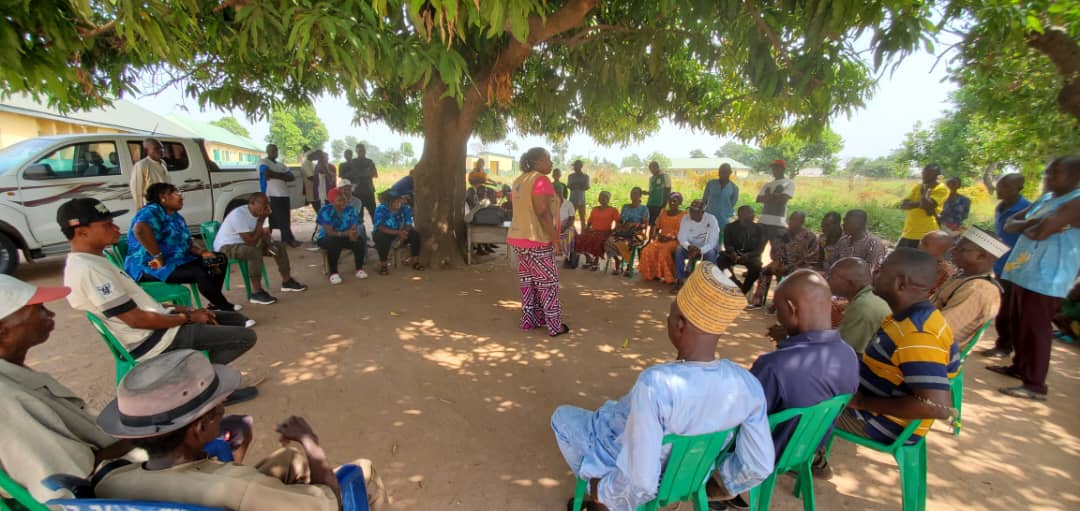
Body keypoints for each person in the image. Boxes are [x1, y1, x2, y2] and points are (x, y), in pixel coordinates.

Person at [551, 264, 773, 511]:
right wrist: (714, 483)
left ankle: (605, 504)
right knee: (617, 409)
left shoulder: (656, 384)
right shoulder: (747, 385)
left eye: (670, 313)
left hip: (625, 461)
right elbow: (759, 464)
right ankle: (663, 494)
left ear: (679, 323)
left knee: (562, 417)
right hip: (687, 472)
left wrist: (600, 490)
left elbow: (641, 480)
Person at [93, 350, 388, 511]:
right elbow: (329, 503)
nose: (224, 413)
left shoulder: (110, 483)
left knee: (288, 457)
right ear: (198, 428)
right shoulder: (237, 487)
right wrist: (311, 444)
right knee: (364, 471)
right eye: (219, 410)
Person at [58, 198, 258, 403]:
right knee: (245, 336)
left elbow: (139, 304)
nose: (116, 228)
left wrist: (186, 310)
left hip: (158, 325)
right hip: (152, 339)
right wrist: (187, 318)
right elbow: (136, 320)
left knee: (234, 318)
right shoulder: (89, 270)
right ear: (81, 232)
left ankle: (199, 377)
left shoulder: (96, 260)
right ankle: (197, 384)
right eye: (107, 225)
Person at [0, 275, 135, 501]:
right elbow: (67, 484)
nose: (51, 314)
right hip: (102, 491)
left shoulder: (13, 373)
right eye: (39, 309)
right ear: (3, 331)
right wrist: (145, 438)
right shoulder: (7, 402)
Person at [830, 248, 957, 448]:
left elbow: (937, 407)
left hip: (880, 423)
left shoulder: (918, 335)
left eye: (881, 270)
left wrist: (863, 403)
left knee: (795, 398)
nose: (874, 273)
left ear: (900, 283)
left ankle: (806, 458)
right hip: (872, 406)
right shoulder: (903, 317)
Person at [989, 156, 1080, 401]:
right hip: (1023, 270)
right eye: (1047, 173)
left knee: (1036, 330)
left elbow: (1040, 234)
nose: (1047, 178)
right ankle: (1019, 367)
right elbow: (1010, 224)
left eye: (1055, 173)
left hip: (1047, 277)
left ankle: (1035, 384)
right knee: (1019, 323)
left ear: (1074, 176)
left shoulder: (1076, 201)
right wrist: (1036, 224)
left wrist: (1030, 226)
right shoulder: (1047, 198)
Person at [752, 270, 858, 473]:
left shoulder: (774, 366)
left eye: (779, 310)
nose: (778, 316)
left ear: (792, 308)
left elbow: (742, 416)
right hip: (807, 447)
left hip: (767, 455)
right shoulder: (848, 355)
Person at [125, 183, 239, 311]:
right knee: (200, 272)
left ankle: (215, 303)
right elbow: (140, 229)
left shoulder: (175, 216)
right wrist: (158, 256)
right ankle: (225, 307)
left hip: (177, 260)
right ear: (163, 197)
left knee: (217, 260)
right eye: (176, 193)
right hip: (149, 266)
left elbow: (185, 242)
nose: (181, 197)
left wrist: (201, 252)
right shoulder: (152, 210)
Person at [507, 147, 569, 337]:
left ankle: (530, 320)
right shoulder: (541, 180)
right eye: (548, 159)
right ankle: (554, 326)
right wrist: (555, 239)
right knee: (548, 283)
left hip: (518, 238)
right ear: (537, 162)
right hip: (537, 240)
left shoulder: (519, 180)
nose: (551, 163)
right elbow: (542, 211)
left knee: (529, 282)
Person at [214, 193, 308, 303]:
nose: (266, 206)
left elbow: (264, 233)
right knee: (253, 251)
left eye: (267, 203)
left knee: (279, 246)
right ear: (252, 203)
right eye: (263, 203)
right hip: (227, 247)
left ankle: (287, 282)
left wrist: (269, 244)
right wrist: (261, 220)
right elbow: (251, 242)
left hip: (246, 243)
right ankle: (257, 292)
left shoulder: (262, 212)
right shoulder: (239, 215)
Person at [979, 174, 1030, 358]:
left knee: (1011, 310)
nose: (1000, 190)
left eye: (1006, 186)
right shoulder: (1001, 207)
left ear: (1019, 188)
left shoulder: (1026, 209)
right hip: (1001, 264)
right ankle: (1003, 343)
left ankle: (1007, 347)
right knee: (1003, 307)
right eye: (1000, 185)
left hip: (1017, 267)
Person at [932, 228, 1007, 351]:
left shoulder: (978, 289)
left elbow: (938, 328)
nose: (952, 251)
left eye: (960, 249)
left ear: (981, 256)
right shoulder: (963, 277)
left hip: (936, 350)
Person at [747, 211, 818, 310]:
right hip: (781, 263)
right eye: (791, 219)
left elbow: (811, 257)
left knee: (789, 274)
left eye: (796, 220)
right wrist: (778, 262)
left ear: (802, 222)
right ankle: (758, 299)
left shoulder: (810, 237)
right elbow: (775, 250)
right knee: (765, 271)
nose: (792, 222)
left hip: (800, 266)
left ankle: (779, 302)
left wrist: (792, 266)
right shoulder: (782, 233)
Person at [827, 257, 890, 354]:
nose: (827, 279)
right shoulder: (869, 296)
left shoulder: (862, 306)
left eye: (831, 276)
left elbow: (844, 351)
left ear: (850, 283)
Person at [316, 187, 369, 284]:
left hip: (345, 236)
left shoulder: (351, 210)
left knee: (359, 240)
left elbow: (354, 226)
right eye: (339, 200)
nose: (343, 202)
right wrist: (346, 233)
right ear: (332, 201)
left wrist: (353, 234)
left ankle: (359, 269)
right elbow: (329, 232)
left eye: (344, 199)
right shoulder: (325, 211)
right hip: (326, 238)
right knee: (333, 242)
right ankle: (333, 273)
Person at [716, 205, 766, 296]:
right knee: (721, 262)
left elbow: (760, 249)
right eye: (748, 214)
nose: (752, 216)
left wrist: (748, 255)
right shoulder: (729, 227)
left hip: (751, 255)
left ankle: (743, 291)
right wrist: (732, 252)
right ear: (740, 215)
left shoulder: (760, 229)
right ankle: (734, 282)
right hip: (733, 254)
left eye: (752, 214)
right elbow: (728, 244)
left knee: (757, 268)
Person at [638, 193, 686, 284]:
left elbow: (684, 232)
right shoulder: (663, 212)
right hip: (661, 239)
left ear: (680, 202)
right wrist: (657, 236)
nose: (672, 203)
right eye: (670, 200)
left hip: (675, 240)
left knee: (664, 251)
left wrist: (671, 238)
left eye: (675, 201)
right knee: (648, 249)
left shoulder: (683, 215)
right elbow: (657, 228)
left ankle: (669, 276)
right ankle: (654, 274)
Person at [372, 190, 424, 275]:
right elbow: (380, 227)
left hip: (401, 232)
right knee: (380, 237)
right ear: (389, 202)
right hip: (385, 233)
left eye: (399, 201)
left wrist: (404, 233)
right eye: (396, 202)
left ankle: (415, 262)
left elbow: (408, 223)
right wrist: (398, 233)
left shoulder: (405, 208)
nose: (399, 203)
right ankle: (383, 265)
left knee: (415, 234)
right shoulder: (380, 209)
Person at [673, 199, 720, 291]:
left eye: (695, 211)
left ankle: (709, 282)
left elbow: (712, 241)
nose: (691, 213)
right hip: (690, 247)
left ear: (702, 211)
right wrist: (689, 247)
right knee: (679, 250)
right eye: (691, 210)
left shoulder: (711, 219)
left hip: (706, 247)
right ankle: (679, 279)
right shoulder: (685, 218)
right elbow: (682, 237)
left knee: (710, 253)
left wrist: (700, 250)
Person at [258, 144, 299, 248]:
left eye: (276, 151)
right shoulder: (263, 162)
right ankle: (281, 240)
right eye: (272, 151)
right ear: (267, 151)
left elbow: (291, 177)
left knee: (285, 217)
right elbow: (266, 172)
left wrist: (275, 175)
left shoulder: (281, 164)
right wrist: (283, 176)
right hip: (271, 194)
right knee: (274, 218)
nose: (275, 152)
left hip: (284, 194)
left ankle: (285, 239)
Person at [898, 164, 948, 248]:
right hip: (909, 231)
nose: (924, 175)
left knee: (919, 260)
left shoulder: (942, 189)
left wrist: (925, 191)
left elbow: (926, 205)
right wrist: (920, 204)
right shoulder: (918, 186)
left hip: (927, 233)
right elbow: (903, 205)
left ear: (937, 176)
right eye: (923, 172)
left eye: (928, 173)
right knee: (899, 259)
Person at [823, 209, 887, 275]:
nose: (843, 225)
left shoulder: (873, 244)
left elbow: (871, 273)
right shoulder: (843, 240)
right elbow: (830, 261)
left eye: (846, 222)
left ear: (857, 224)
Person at [604, 187, 650, 276]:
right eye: (632, 193)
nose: (633, 195)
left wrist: (634, 224)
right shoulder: (625, 207)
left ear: (640, 196)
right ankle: (617, 262)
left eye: (636, 193)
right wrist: (619, 226)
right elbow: (620, 220)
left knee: (627, 243)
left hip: (636, 233)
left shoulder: (644, 209)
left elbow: (645, 225)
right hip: (623, 232)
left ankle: (629, 265)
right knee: (608, 241)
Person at [575, 191, 619, 271]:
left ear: (608, 199)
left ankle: (596, 261)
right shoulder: (595, 209)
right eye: (600, 197)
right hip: (594, 231)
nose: (602, 198)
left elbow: (618, 222)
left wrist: (614, 231)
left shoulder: (613, 210)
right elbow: (590, 221)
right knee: (579, 238)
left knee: (598, 240)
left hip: (605, 232)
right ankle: (588, 259)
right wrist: (587, 229)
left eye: (604, 197)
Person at [338, 143, 379, 223]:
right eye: (360, 151)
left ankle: (377, 232)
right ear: (356, 151)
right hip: (357, 192)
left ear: (365, 151)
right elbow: (345, 176)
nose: (362, 152)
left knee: (374, 213)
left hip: (369, 191)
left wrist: (361, 173)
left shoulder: (369, 161)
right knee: (358, 215)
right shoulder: (352, 162)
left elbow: (375, 174)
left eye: (363, 150)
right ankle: (360, 233)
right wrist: (366, 173)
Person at [755, 160, 794, 242]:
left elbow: (783, 200)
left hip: (778, 223)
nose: (774, 170)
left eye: (777, 168)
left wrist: (767, 197)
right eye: (773, 168)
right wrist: (776, 196)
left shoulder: (789, 183)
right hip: (763, 221)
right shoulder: (767, 184)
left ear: (783, 169)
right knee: (758, 248)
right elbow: (758, 199)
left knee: (776, 251)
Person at [129, 138, 170, 210]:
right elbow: (136, 189)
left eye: (162, 148)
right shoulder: (141, 165)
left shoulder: (163, 163)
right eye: (156, 148)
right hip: (151, 205)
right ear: (146, 151)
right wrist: (140, 208)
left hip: (164, 202)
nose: (161, 150)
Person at [703, 163, 739, 235]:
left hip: (724, 219)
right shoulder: (711, 183)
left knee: (721, 238)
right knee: (707, 237)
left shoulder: (734, 188)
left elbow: (732, 204)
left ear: (730, 172)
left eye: (724, 171)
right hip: (709, 216)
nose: (721, 173)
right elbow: (704, 200)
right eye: (720, 171)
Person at [918, 230, 956, 295]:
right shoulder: (917, 260)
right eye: (921, 241)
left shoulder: (944, 272)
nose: (920, 244)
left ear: (942, 249)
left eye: (925, 243)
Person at [644, 161, 672, 233]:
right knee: (649, 221)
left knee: (657, 222)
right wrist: (646, 193)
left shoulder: (665, 176)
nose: (651, 170)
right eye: (650, 169)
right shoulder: (651, 178)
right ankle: (648, 238)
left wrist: (665, 203)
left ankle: (654, 238)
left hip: (660, 204)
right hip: (650, 203)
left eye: (652, 168)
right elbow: (652, 191)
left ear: (657, 167)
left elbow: (668, 189)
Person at [568, 160, 591, 228]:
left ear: (581, 166)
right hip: (572, 199)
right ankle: (572, 233)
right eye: (574, 166)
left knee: (582, 218)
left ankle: (583, 235)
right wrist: (580, 186)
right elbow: (569, 186)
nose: (574, 167)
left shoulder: (586, 176)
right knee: (571, 218)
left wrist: (576, 185)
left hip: (582, 200)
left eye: (576, 166)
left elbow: (586, 187)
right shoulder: (570, 176)